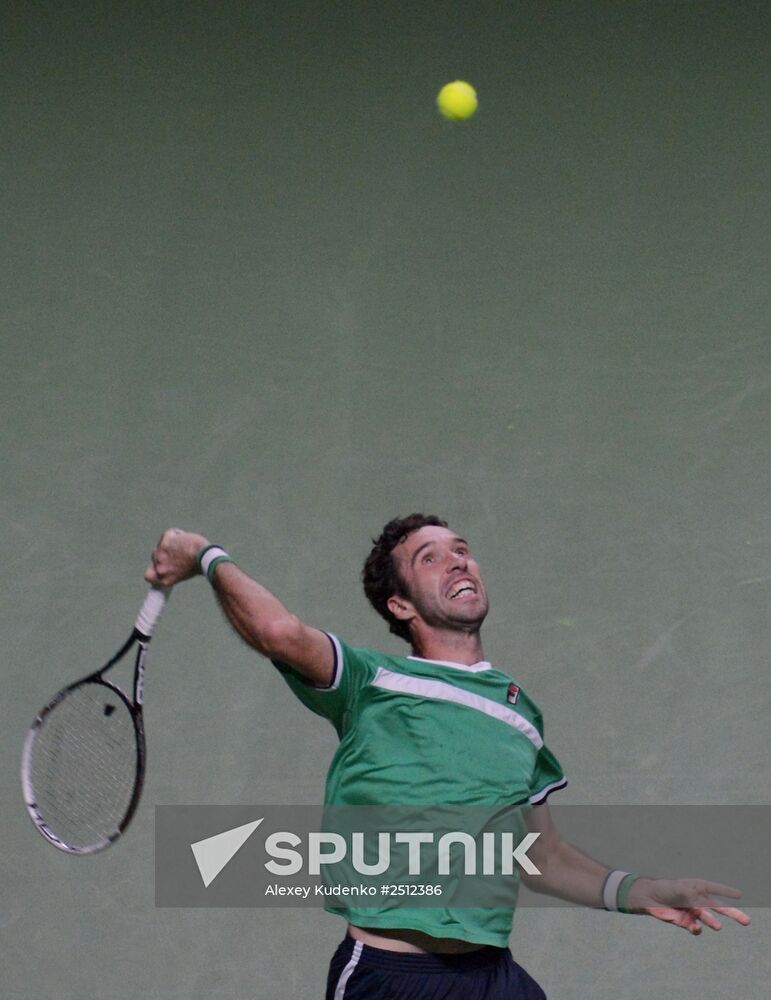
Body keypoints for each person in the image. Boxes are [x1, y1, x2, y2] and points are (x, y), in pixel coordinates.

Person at [146, 515, 750, 999]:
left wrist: (639, 890)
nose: (458, 559)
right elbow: (278, 632)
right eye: (429, 557)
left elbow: (541, 855)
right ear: (400, 606)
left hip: (494, 978)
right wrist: (204, 555)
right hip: (393, 977)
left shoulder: (519, 713)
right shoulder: (370, 681)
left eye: (461, 549)